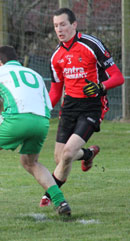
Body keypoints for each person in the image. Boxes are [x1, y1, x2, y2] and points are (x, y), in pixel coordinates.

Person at [0, 46, 71, 220]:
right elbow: (48, 104)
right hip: (42, 120)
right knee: (30, 162)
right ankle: (61, 202)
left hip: (17, 118)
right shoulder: (34, 74)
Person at [39, 8, 125, 207]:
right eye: (55, 26)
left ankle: (51, 195)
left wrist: (100, 87)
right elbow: (55, 92)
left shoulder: (91, 45)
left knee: (68, 154)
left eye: (63, 24)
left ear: (74, 25)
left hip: (93, 106)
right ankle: (88, 154)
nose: (59, 29)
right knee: (59, 157)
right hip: (69, 106)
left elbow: (118, 77)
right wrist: (40, 111)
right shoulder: (56, 57)